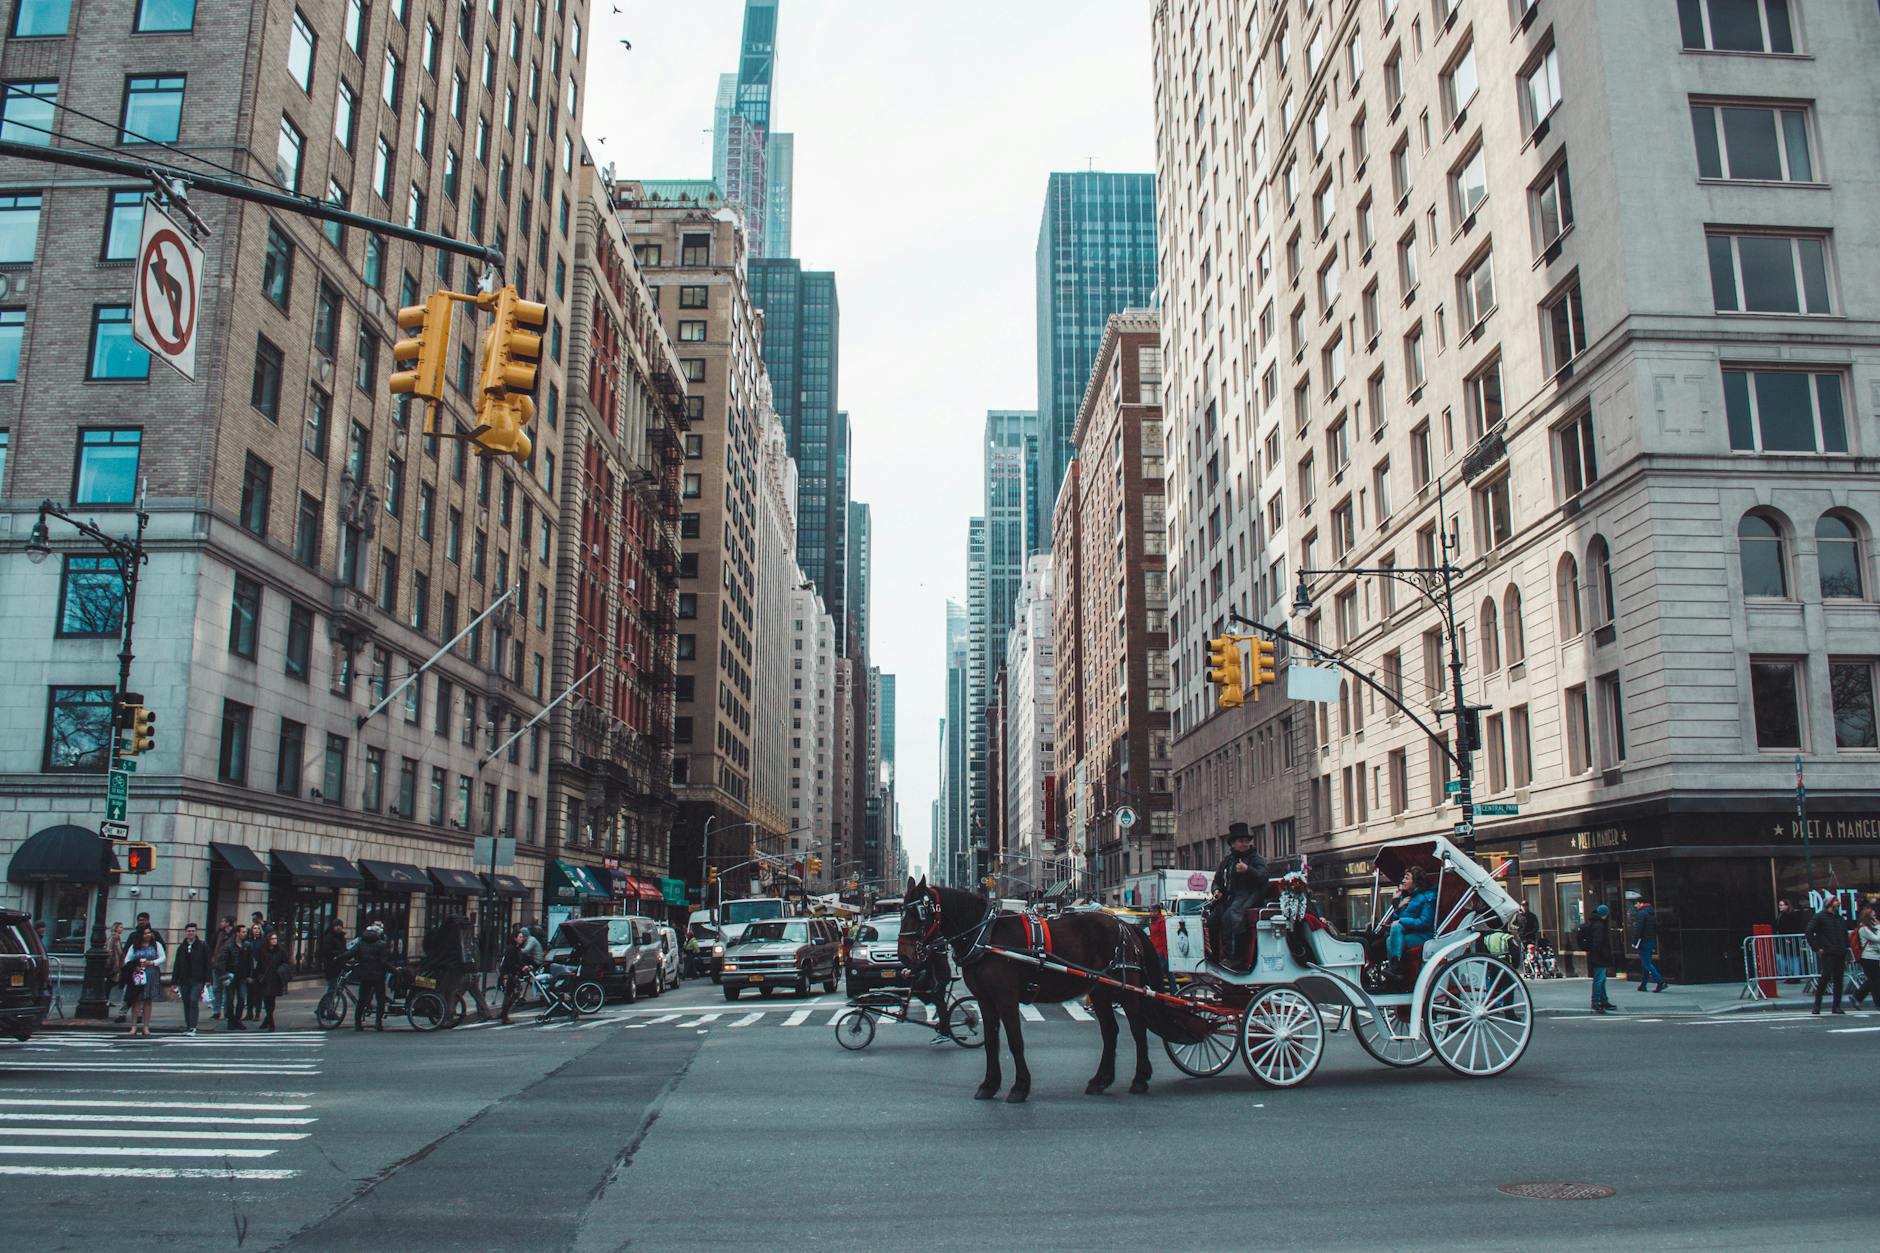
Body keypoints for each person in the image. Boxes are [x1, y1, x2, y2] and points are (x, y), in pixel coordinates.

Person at [1210, 822, 1267, 971]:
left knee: (1232, 916)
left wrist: (1248, 869)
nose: (1245, 844)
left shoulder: (1255, 859)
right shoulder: (1227, 861)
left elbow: (1263, 876)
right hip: (1230, 897)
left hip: (1249, 895)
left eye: (1246, 841)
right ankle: (1215, 956)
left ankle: (1235, 958)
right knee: (1212, 919)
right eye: (1241, 841)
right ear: (1233, 844)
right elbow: (1217, 881)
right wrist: (1216, 891)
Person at [1806, 896, 1851, 1016]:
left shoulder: (1840, 918)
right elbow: (1809, 932)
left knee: (1839, 980)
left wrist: (1846, 948)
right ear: (1830, 903)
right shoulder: (1820, 916)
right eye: (1836, 901)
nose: (1838, 903)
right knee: (1825, 978)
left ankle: (1836, 1006)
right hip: (1828, 952)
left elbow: (1844, 934)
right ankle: (1817, 1005)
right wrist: (1817, 948)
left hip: (1840, 952)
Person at [349, 921, 395, 1031]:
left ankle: (358, 1023)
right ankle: (378, 1023)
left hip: (365, 976)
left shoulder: (361, 942)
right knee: (380, 1000)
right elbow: (384, 962)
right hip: (378, 977)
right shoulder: (381, 944)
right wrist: (394, 970)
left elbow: (350, 953)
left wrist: (338, 958)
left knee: (362, 1000)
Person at [1386, 867, 1438, 963]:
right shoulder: (1406, 897)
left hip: (1424, 935)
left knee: (1392, 938)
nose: (1403, 881)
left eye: (1407, 878)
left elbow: (1424, 922)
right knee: (1390, 939)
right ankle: (1395, 967)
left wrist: (1402, 921)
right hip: (1410, 932)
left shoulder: (1427, 897)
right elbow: (1395, 920)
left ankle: (1396, 966)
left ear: (1415, 882)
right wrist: (1398, 904)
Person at [123, 925, 165, 1038]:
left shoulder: (156, 945)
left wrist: (151, 962)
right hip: (138, 974)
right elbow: (127, 959)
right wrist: (134, 966)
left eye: (149, 933)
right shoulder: (135, 946)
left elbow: (162, 957)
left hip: (151, 973)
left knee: (147, 1000)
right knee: (136, 1000)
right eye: (145, 933)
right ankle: (134, 1026)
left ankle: (146, 1026)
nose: (148, 935)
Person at [908, 941, 954, 1043]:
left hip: (939, 975)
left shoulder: (936, 944)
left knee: (938, 999)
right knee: (916, 987)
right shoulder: (931, 942)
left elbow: (926, 962)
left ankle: (945, 1033)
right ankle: (931, 1005)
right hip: (931, 973)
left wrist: (911, 971)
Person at [170, 922, 211, 1036]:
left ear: (195, 932)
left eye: (193, 931)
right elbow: (177, 965)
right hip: (184, 979)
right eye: (189, 931)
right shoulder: (182, 947)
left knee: (193, 1001)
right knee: (186, 1002)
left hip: (198, 979)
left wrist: (208, 979)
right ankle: (188, 1025)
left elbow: (207, 963)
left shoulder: (203, 946)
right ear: (186, 932)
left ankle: (193, 1026)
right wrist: (174, 981)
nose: (191, 933)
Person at [498, 924, 544, 1024]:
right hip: (509, 974)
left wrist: (524, 966)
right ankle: (504, 1016)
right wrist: (522, 967)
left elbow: (518, 961)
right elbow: (512, 963)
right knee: (509, 994)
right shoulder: (511, 949)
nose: (522, 939)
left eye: (522, 937)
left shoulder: (516, 948)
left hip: (513, 974)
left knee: (515, 993)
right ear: (515, 938)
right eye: (520, 937)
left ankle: (504, 1014)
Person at [1580, 905, 1618, 1013]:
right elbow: (1599, 943)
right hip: (1599, 956)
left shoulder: (1594, 923)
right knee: (1599, 979)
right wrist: (1604, 954)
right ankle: (1596, 1001)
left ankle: (1603, 1000)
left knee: (1601, 979)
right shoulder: (1599, 926)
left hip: (1596, 956)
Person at [251, 931, 291, 1030]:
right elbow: (259, 965)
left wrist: (282, 971)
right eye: (272, 939)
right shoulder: (263, 950)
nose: (274, 941)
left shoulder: (281, 951)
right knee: (266, 1000)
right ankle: (270, 1022)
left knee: (271, 1001)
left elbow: (286, 963)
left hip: (276, 978)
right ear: (268, 940)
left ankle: (268, 1021)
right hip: (265, 978)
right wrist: (255, 976)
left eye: (275, 939)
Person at [218, 923, 251, 1031]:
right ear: (237, 933)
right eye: (243, 932)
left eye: (246, 932)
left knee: (241, 999)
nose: (245, 934)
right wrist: (224, 975)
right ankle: (231, 1020)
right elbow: (223, 961)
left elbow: (249, 962)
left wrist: (249, 975)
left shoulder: (246, 945)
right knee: (229, 999)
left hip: (242, 976)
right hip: (231, 975)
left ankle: (237, 1019)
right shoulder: (229, 946)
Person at [1631, 896, 1667, 993]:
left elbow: (1638, 929)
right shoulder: (1651, 913)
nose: (1636, 905)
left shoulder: (1641, 914)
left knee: (1646, 963)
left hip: (1644, 941)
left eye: (1637, 903)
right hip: (1651, 940)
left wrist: (1634, 942)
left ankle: (1660, 982)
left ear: (1641, 903)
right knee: (1646, 963)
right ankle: (1643, 984)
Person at [316, 919, 350, 1013]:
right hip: (331, 966)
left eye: (340, 925)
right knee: (332, 989)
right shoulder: (329, 937)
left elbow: (344, 949)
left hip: (339, 966)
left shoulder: (341, 937)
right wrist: (341, 953)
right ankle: (328, 1009)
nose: (338, 927)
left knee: (333, 989)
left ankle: (321, 1009)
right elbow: (327, 951)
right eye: (337, 925)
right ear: (333, 926)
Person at [208, 917, 237, 1020]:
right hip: (217, 965)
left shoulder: (234, 935)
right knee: (217, 989)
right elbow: (211, 947)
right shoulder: (218, 934)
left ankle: (227, 1012)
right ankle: (216, 1012)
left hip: (228, 966)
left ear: (228, 923)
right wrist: (212, 959)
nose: (221, 923)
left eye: (223, 921)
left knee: (227, 991)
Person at [1854, 906, 1880, 1011]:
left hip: (1874, 957)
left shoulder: (1870, 928)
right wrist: (1879, 926)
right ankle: (1876, 1002)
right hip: (1868, 957)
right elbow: (1877, 939)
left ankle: (1857, 997)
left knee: (1874, 980)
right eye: (1873, 916)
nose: (1875, 918)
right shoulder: (1864, 929)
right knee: (1875, 980)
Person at [104, 922, 126, 1022]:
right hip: (114, 963)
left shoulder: (116, 937)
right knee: (111, 981)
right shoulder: (114, 937)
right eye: (120, 927)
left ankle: (107, 999)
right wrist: (115, 963)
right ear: (116, 928)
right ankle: (106, 999)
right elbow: (112, 950)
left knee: (112, 981)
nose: (122, 929)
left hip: (116, 963)